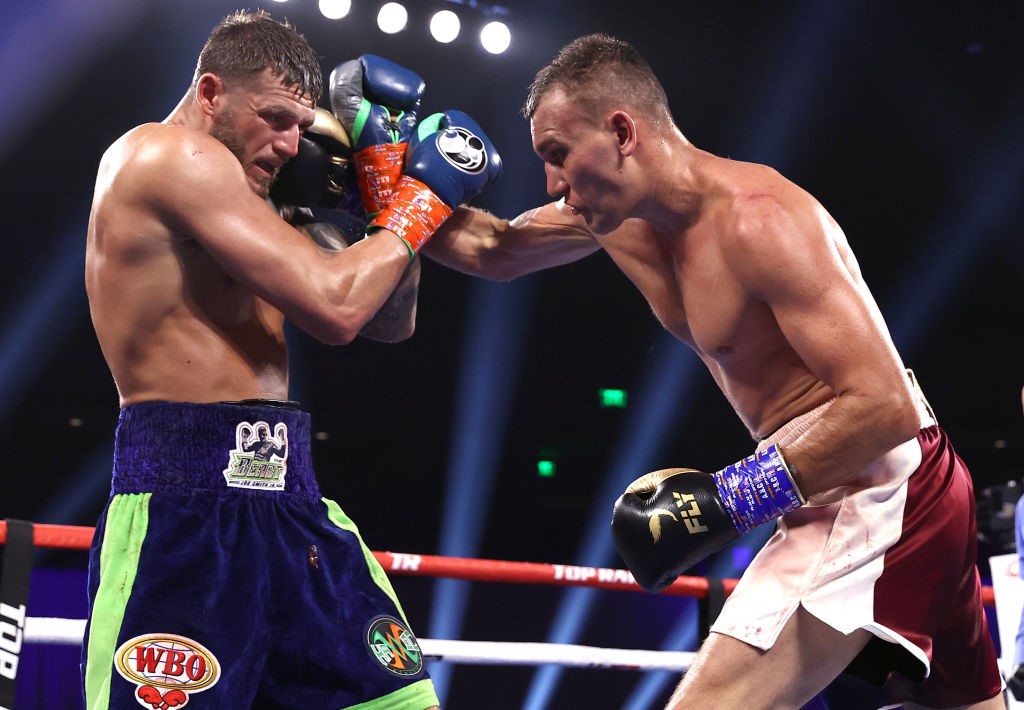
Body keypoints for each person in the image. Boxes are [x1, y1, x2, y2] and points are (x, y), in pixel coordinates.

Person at [420, 33, 1005, 709]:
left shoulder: (763, 223)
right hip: (863, 479)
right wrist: (380, 188)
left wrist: (731, 500)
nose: (553, 185)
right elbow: (494, 248)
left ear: (620, 132)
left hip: (876, 483)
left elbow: (882, 405)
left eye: (559, 156)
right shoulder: (616, 217)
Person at [83, 10, 498, 709]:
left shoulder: (261, 202)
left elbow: (389, 318)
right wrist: (421, 202)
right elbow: (335, 309)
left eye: (299, 128)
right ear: (211, 92)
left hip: (294, 508)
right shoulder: (164, 155)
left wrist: (385, 188)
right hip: (182, 515)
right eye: (271, 117)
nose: (285, 144)